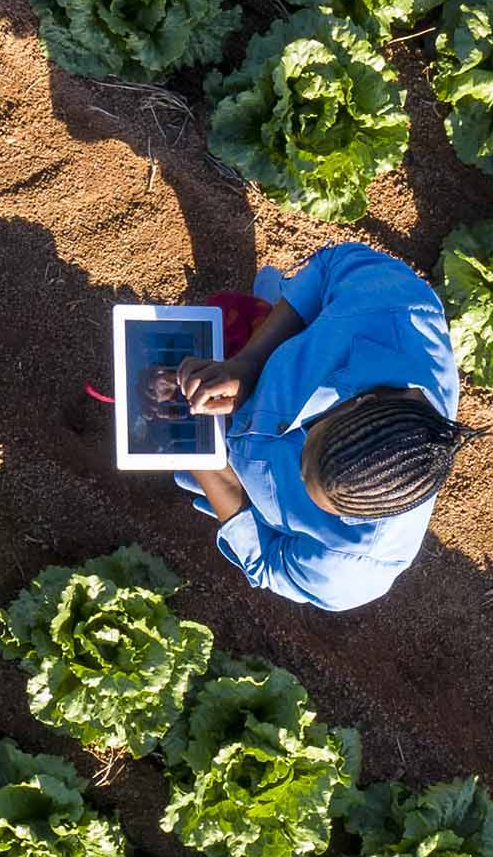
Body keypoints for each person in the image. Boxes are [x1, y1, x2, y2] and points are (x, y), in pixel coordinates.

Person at [144, 241, 468, 612]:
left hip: (225, 468)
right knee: (267, 304)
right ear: (358, 399)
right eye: (304, 451)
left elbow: (267, 561)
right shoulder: (396, 306)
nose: (291, 467)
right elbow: (330, 267)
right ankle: (270, 314)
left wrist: (202, 452)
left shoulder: (352, 567)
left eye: (301, 485)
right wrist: (247, 365)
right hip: (259, 362)